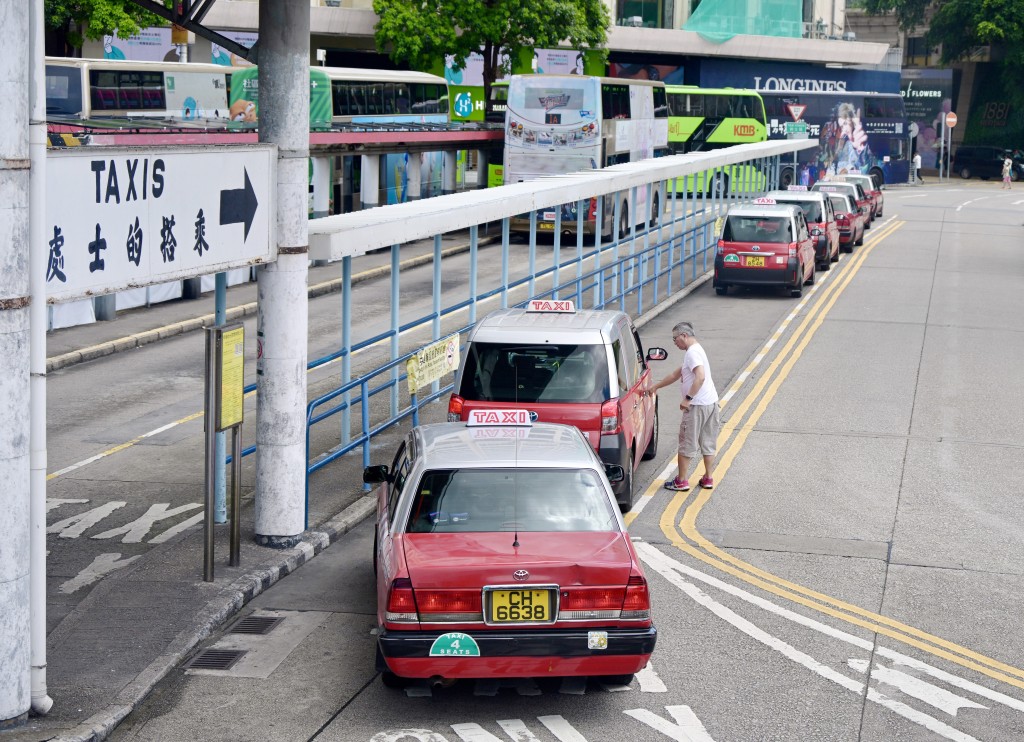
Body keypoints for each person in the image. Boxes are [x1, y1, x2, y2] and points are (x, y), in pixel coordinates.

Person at [652, 322, 721, 492]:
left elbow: (701, 377)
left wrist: (688, 398)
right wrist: (655, 387)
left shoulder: (692, 353)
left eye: (675, 339)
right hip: (711, 403)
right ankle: (708, 478)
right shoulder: (697, 350)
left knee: (686, 443)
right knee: (708, 442)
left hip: (697, 407)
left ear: (684, 335)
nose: (674, 343)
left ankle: (681, 481)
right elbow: (676, 374)